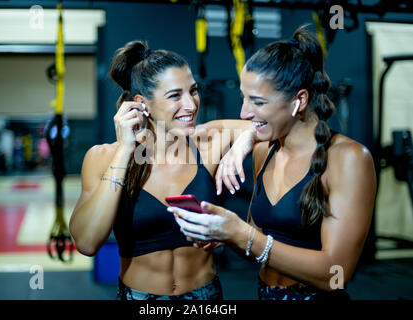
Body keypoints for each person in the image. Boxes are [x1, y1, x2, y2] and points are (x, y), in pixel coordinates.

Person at [170, 25, 377, 300]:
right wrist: (223, 234)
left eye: (257, 102)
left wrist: (241, 234)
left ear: (299, 100)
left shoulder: (349, 159)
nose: (244, 112)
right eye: (244, 98)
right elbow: (255, 244)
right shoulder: (263, 152)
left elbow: (337, 273)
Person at [69, 40, 252, 300]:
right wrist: (124, 151)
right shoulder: (102, 157)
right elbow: (87, 243)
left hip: (205, 296)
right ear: (142, 104)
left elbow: (268, 126)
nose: (190, 105)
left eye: (194, 90)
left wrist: (244, 141)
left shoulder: (209, 141)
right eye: (175, 95)